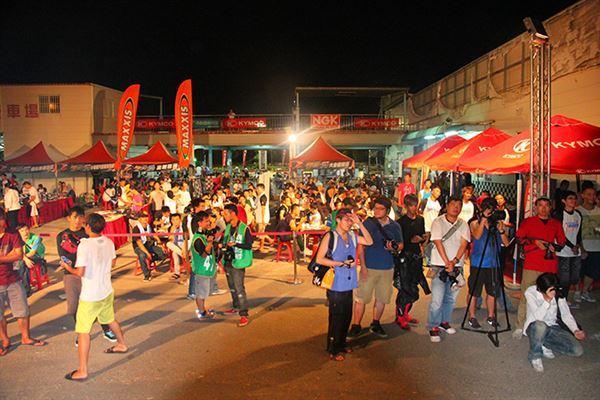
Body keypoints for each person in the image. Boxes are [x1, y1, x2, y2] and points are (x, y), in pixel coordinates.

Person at [63, 213, 128, 381]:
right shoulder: (109, 242)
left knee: (83, 332)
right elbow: (113, 262)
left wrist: (66, 267)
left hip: (90, 295)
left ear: (88, 227)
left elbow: (79, 272)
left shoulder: (84, 245)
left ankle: (83, 370)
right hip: (106, 290)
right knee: (110, 319)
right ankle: (121, 344)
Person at [316, 208, 373, 361]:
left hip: (349, 282)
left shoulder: (352, 236)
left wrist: (360, 224)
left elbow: (369, 241)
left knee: (347, 315)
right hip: (335, 282)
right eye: (346, 220)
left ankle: (341, 343)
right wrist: (340, 263)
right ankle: (333, 348)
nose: (349, 223)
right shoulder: (330, 236)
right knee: (336, 316)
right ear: (338, 220)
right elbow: (319, 259)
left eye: (351, 220)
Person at [58, 206, 116, 346]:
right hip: (72, 274)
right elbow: (64, 256)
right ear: (69, 218)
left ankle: (106, 329)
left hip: (91, 275)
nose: (78, 220)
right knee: (73, 307)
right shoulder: (62, 236)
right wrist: (73, 264)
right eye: (75, 217)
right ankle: (82, 332)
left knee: (98, 303)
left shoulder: (88, 233)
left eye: (80, 217)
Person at [349, 197, 402, 339]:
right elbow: (361, 247)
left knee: (382, 298)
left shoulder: (395, 226)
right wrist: (363, 266)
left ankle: (376, 323)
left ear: (388, 210)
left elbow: (401, 244)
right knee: (361, 297)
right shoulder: (368, 223)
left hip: (387, 267)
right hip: (369, 266)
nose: (377, 211)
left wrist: (394, 247)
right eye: (375, 208)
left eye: (380, 209)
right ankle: (356, 325)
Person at [513, 197, 566, 339]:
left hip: (549, 265)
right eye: (540, 205)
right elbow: (518, 239)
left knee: (548, 297)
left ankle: (546, 325)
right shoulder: (528, 222)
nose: (543, 208)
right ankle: (520, 326)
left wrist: (553, 246)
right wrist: (534, 241)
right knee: (526, 295)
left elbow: (562, 242)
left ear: (550, 207)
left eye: (546, 205)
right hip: (532, 263)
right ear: (535, 207)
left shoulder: (556, 224)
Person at [0, 212, 47, 357]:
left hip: (13, 278)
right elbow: (14, 255)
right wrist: (8, 256)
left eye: (1, 219)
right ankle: (5, 340)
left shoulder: (12, 234)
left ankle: (25, 337)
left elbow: (19, 254)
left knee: (22, 309)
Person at [426, 196, 470, 343]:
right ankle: (433, 326)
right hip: (439, 266)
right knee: (437, 300)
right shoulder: (438, 222)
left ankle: (444, 322)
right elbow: (438, 243)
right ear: (447, 206)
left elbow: (464, 244)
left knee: (451, 299)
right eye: (453, 204)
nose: (456, 207)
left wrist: (454, 261)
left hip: (456, 267)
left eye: (459, 205)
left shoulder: (463, 224)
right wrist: (447, 262)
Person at [524, 273, 584, 373]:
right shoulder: (531, 293)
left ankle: (543, 342)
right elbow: (538, 317)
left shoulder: (557, 293)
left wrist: (575, 330)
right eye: (551, 289)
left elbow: (565, 314)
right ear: (541, 289)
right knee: (540, 326)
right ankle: (535, 356)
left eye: (555, 288)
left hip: (552, 326)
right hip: (534, 327)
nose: (554, 292)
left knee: (577, 350)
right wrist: (547, 300)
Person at [467, 198, 510, 329]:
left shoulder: (497, 224)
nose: (490, 213)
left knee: (492, 292)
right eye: (488, 210)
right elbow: (477, 236)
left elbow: (506, 243)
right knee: (474, 291)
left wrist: (501, 230)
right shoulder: (474, 222)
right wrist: (483, 221)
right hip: (478, 263)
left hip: (494, 263)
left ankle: (491, 316)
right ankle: (472, 316)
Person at [395, 194, 430, 330]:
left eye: (415, 205)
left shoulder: (420, 219)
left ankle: (405, 314)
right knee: (404, 288)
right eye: (410, 205)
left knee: (414, 286)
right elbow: (399, 242)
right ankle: (400, 316)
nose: (413, 208)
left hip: (416, 257)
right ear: (405, 206)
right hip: (405, 258)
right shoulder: (401, 222)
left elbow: (422, 237)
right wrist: (410, 240)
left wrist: (424, 238)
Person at [220, 204, 253, 327]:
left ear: (233, 213)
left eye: (226, 214)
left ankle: (244, 314)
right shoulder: (228, 227)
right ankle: (235, 306)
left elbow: (249, 245)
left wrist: (236, 244)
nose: (224, 216)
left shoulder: (244, 228)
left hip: (239, 262)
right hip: (228, 261)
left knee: (239, 288)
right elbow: (224, 241)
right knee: (232, 286)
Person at [554, 191, 583, 307]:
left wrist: (578, 245)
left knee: (574, 277)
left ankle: (564, 299)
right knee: (563, 278)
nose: (573, 201)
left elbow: (579, 232)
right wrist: (571, 246)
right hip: (563, 251)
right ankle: (561, 301)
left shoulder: (578, 215)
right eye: (570, 198)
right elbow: (559, 234)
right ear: (564, 201)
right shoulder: (559, 214)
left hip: (575, 251)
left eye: (574, 198)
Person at [574, 186, 600, 303]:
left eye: (594, 195)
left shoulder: (598, 211)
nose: (592, 197)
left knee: (593, 271)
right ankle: (577, 292)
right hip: (582, 246)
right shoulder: (577, 211)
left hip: (596, 246)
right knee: (579, 271)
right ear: (582, 195)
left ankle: (585, 291)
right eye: (589, 194)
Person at [190, 211, 217, 320]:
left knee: (204, 292)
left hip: (206, 270)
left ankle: (203, 309)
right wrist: (210, 242)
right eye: (206, 221)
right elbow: (204, 254)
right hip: (201, 271)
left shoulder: (202, 236)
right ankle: (202, 312)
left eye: (209, 221)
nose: (209, 223)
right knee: (201, 294)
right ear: (199, 223)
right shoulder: (198, 239)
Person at [132, 211, 167, 282]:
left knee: (163, 253)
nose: (145, 219)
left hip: (149, 245)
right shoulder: (136, 229)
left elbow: (153, 235)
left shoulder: (148, 226)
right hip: (139, 247)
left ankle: (151, 260)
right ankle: (147, 274)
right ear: (139, 219)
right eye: (143, 217)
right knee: (142, 255)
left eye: (146, 217)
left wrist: (160, 244)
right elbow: (139, 243)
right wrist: (147, 253)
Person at [16, 224, 46, 297]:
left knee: (21, 263)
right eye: (22, 231)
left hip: (37, 256)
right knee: (23, 265)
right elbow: (16, 251)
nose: (25, 232)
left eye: (26, 230)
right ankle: (26, 289)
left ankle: (19, 284)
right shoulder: (17, 239)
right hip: (24, 257)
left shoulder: (36, 238)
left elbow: (32, 252)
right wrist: (25, 259)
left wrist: (23, 258)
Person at [255, 183, 273, 252]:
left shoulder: (263, 197)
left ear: (262, 189)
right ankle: (262, 245)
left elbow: (263, 208)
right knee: (260, 232)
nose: (257, 190)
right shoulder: (258, 197)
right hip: (259, 217)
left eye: (258, 188)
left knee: (261, 233)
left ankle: (265, 244)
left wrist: (263, 219)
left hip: (262, 217)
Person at [167, 213, 185, 280]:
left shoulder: (184, 227)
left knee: (175, 252)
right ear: (171, 221)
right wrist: (172, 230)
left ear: (180, 220)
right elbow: (170, 239)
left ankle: (177, 273)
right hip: (177, 246)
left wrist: (184, 249)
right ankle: (177, 273)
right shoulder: (171, 228)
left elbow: (187, 239)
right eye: (173, 220)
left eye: (177, 219)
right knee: (169, 244)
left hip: (184, 244)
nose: (175, 222)